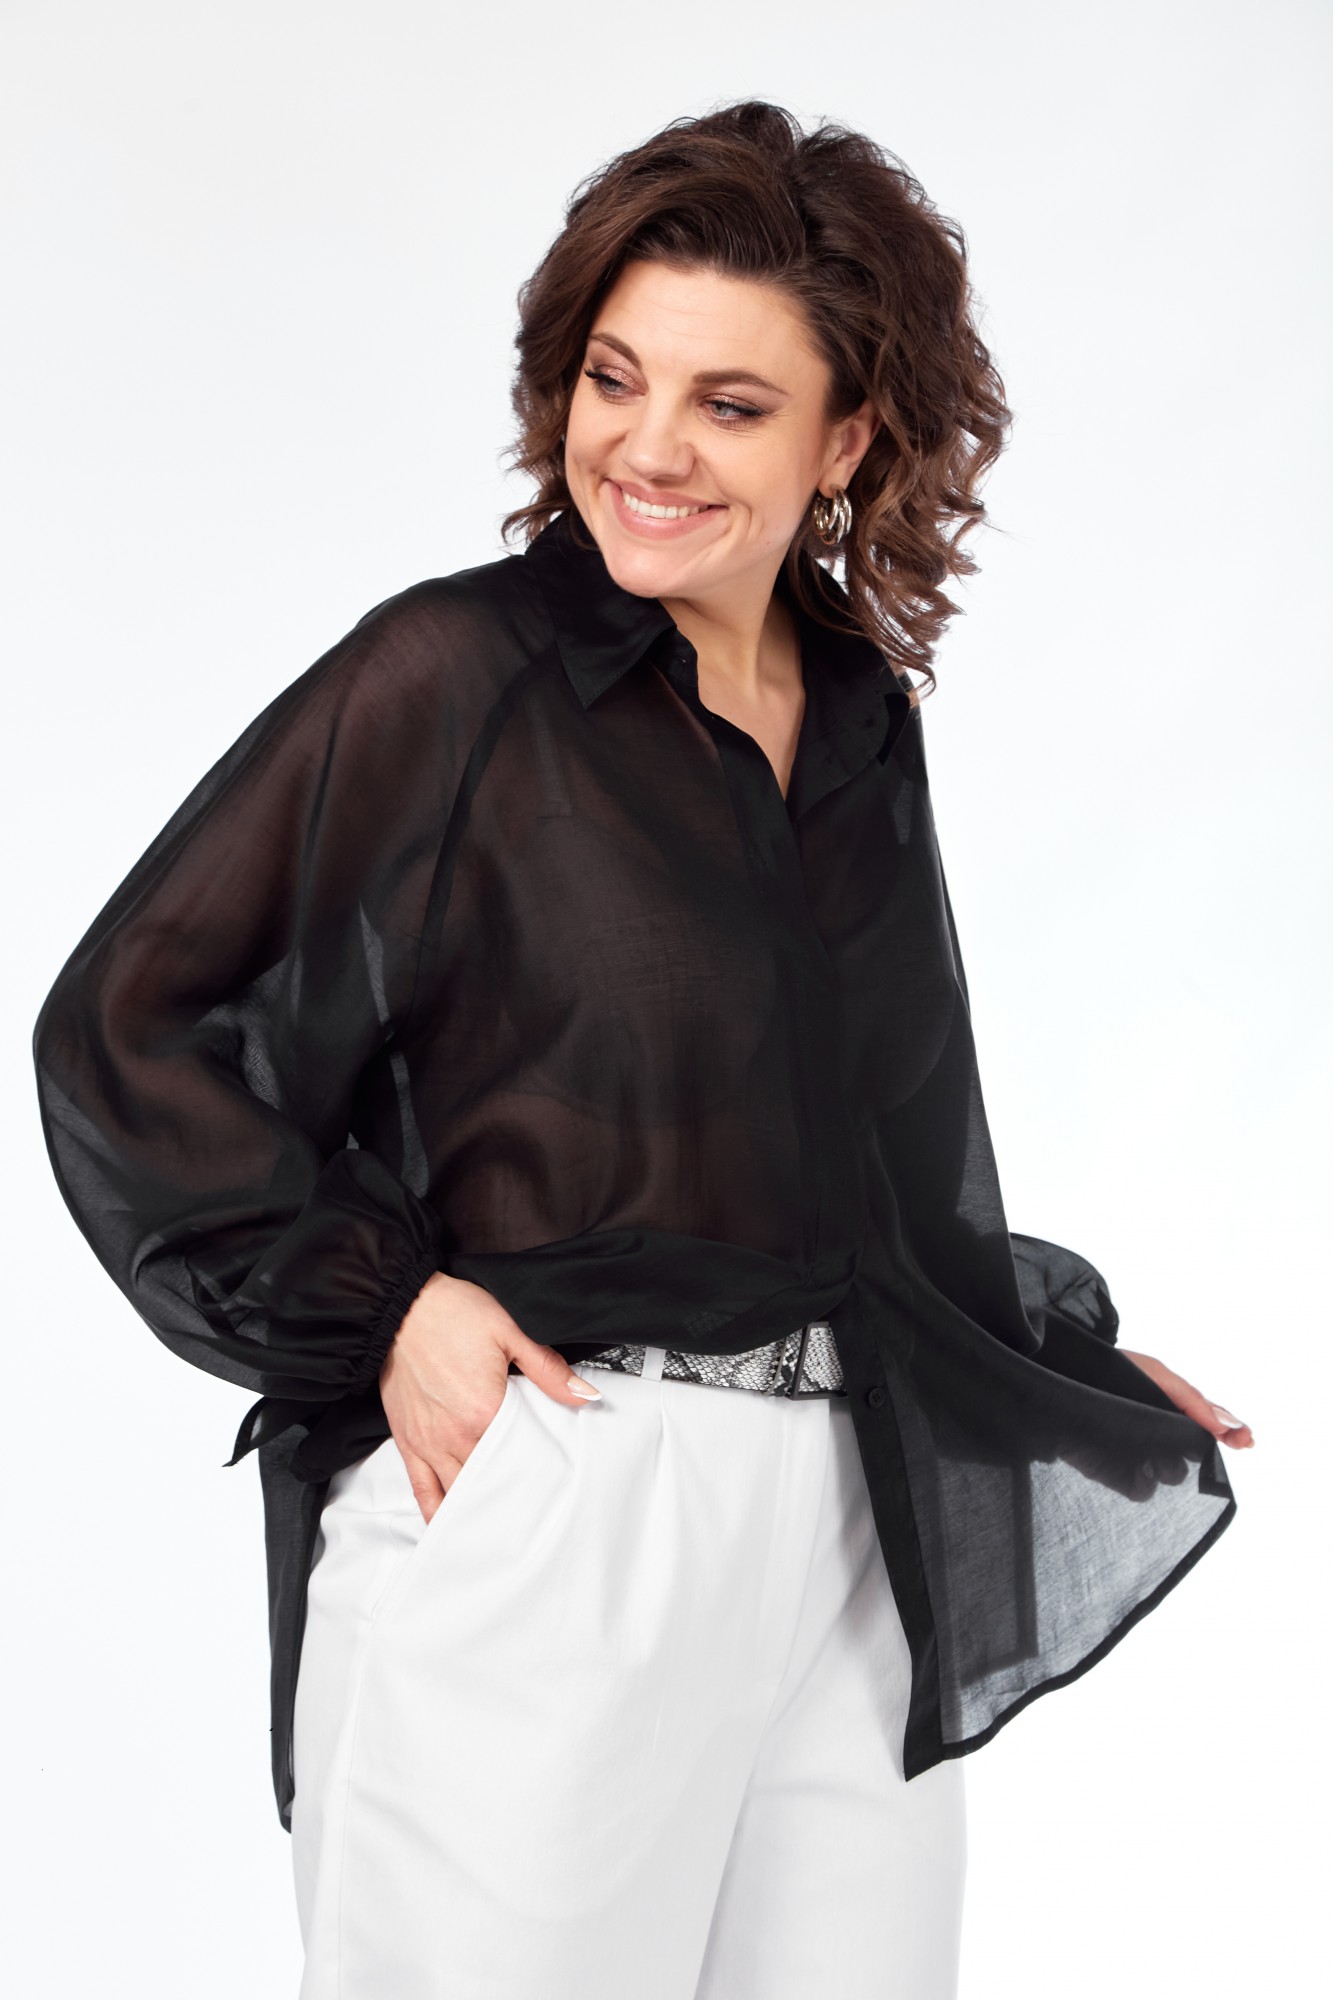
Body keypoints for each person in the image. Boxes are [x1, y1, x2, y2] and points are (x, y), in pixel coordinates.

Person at [31, 100, 1252, 2000]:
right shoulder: (457, 676)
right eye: (616, 378)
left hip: (848, 1529)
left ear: (848, 440)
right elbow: (131, 1022)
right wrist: (390, 1309)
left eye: (729, 404)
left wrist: (1026, 1353)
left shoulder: (855, 718)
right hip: (564, 1497)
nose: (647, 447)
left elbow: (841, 1155)